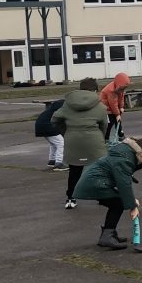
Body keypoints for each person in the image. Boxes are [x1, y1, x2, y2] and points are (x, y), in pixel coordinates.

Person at [73, 136, 142, 250]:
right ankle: (107, 236)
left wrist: (131, 201)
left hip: (96, 183)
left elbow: (125, 176)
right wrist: (132, 206)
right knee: (118, 204)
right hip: (95, 184)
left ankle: (109, 234)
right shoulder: (124, 159)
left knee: (117, 203)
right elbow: (124, 184)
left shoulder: (126, 153)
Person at [53, 78, 108, 209]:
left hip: (73, 138)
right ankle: (101, 196)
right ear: (95, 90)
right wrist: (100, 137)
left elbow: (55, 119)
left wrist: (66, 132)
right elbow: (104, 125)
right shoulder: (100, 106)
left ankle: (71, 198)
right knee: (98, 169)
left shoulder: (68, 104)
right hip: (94, 139)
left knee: (74, 171)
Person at [99, 72, 131, 143]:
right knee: (110, 123)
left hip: (113, 107)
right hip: (107, 108)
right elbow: (113, 103)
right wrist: (117, 114)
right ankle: (106, 139)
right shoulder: (111, 90)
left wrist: (121, 107)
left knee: (118, 121)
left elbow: (121, 97)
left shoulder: (120, 88)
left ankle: (121, 135)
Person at [35, 97, 66, 170]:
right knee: (61, 143)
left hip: (40, 126)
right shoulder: (61, 108)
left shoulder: (53, 108)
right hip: (47, 126)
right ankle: (58, 163)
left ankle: (52, 161)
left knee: (54, 143)